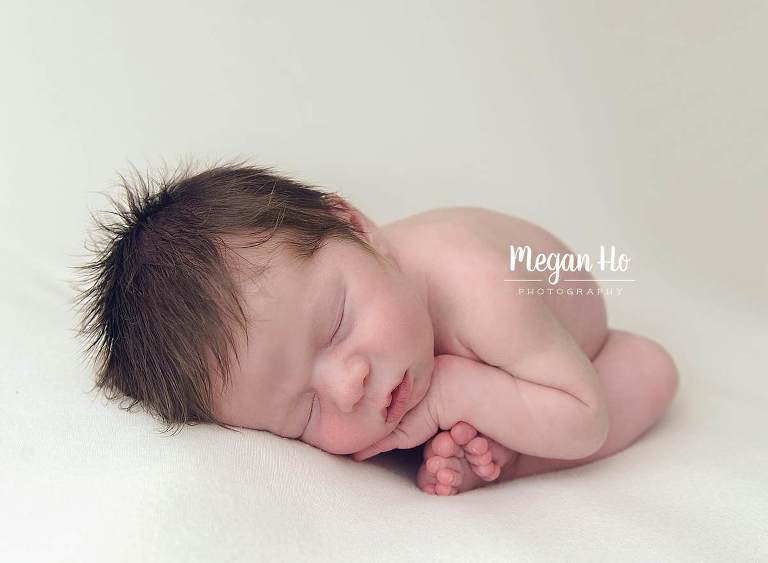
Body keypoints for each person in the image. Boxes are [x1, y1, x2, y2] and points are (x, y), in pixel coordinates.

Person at [74, 160, 679, 495]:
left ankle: (515, 456)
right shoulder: (379, 351)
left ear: (357, 227)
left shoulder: (480, 287)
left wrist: (452, 391)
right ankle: (496, 433)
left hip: (572, 352)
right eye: (304, 413)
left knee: (650, 370)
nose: (347, 387)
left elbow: (585, 418)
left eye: (336, 326)